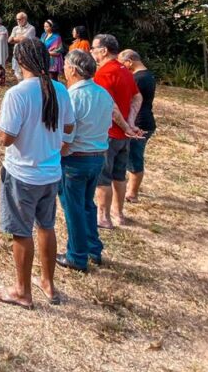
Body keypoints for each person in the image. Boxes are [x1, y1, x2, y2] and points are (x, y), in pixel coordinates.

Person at [0, 38, 75, 309]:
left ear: (21, 61)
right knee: (46, 226)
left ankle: (22, 291)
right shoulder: (60, 90)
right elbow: (69, 126)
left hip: (22, 173)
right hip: (51, 172)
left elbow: (6, 138)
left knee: (21, 231)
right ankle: (48, 282)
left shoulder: (18, 94)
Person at [56, 49, 112, 272]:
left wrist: (58, 154)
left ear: (72, 69)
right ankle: (92, 248)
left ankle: (76, 256)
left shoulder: (72, 96)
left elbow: (67, 133)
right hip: (97, 157)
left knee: (74, 208)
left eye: (66, 66)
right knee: (87, 205)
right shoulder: (103, 94)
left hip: (75, 159)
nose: (64, 70)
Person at [91, 34, 143, 229]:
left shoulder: (104, 73)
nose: (92, 52)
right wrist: (129, 123)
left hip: (109, 134)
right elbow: (137, 97)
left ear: (104, 51)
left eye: (94, 49)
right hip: (123, 136)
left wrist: (125, 125)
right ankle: (118, 213)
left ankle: (103, 216)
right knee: (119, 175)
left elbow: (109, 106)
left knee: (103, 177)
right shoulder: (125, 70)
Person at [119, 49, 156, 204]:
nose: (123, 68)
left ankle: (132, 194)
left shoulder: (139, 78)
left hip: (140, 123)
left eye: (123, 64)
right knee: (132, 156)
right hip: (144, 120)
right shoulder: (148, 75)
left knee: (134, 158)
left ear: (130, 61)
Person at [8, 12, 35, 81]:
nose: (18, 21)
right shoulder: (15, 28)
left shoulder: (31, 28)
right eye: (17, 19)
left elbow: (23, 39)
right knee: (17, 72)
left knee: (26, 72)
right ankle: (20, 86)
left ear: (25, 19)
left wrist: (15, 38)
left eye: (19, 19)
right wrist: (17, 38)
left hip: (26, 53)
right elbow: (9, 40)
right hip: (16, 52)